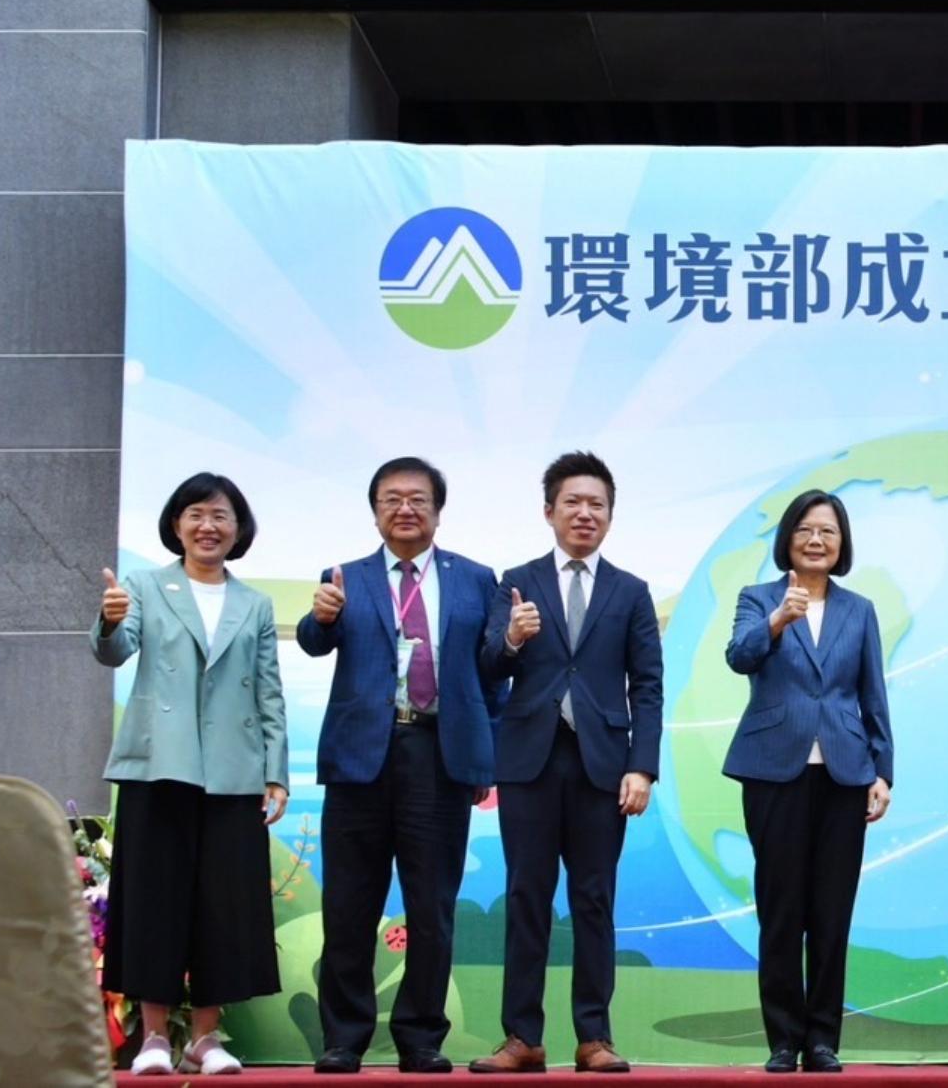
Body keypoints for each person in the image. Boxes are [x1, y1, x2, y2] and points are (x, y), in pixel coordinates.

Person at [299, 457, 503, 1076]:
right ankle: (345, 1038)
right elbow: (314, 641)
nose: (405, 508)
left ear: (438, 510)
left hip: (439, 754)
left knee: (432, 906)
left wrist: (486, 756)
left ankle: (421, 1037)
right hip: (360, 755)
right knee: (349, 905)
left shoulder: (476, 579)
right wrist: (320, 616)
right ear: (375, 512)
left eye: (418, 498)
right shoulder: (346, 576)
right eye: (392, 499)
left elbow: (493, 671)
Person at [472, 451, 665, 1076]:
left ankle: (594, 1038)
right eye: (573, 503)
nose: (585, 513)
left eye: (596, 504)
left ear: (610, 515)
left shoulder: (631, 592)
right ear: (549, 511)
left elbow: (648, 686)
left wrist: (642, 766)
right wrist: (512, 638)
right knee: (526, 898)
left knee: (594, 901)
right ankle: (521, 1037)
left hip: (602, 768)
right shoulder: (516, 581)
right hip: (528, 762)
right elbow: (487, 664)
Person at [93, 472, 287, 1078]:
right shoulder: (144, 587)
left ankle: (206, 1038)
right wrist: (108, 620)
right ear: (176, 524)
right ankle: (153, 1037)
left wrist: (276, 773)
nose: (208, 526)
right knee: (154, 899)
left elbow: (269, 692)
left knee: (224, 905)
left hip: (234, 771)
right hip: (159, 766)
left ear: (238, 528)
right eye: (196, 514)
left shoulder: (255, 604)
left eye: (221, 515)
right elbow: (114, 650)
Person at [723, 489, 896, 1073]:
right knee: (781, 910)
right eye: (805, 529)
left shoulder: (859, 610)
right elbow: (739, 657)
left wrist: (882, 770)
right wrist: (778, 620)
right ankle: (782, 1039)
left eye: (828, 531)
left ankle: (822, 1039)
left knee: (830, 912)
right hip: (773, 770)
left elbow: (873, 692)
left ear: (842, 543)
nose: (816, 540)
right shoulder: (758, 598)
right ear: (787, 539)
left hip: (845, 773)